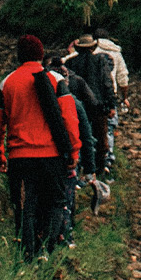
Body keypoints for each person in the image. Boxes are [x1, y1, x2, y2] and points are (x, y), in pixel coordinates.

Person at [0, 35, 80, 258]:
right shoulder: (56, 80)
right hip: (52, 155)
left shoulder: (6, 83)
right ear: (42, 55)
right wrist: (74, 150)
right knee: (55, 202)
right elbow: (69, 118)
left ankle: (28, 254)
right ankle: (46, 250)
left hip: (20, 157)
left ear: (19, 56)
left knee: (25, 206)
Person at [47, 54, 98, 244]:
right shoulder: (75, 104)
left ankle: (49, 237)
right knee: (67, 199)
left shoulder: (42, 102)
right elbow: (86, 137)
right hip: (69, 159)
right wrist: (90, 169)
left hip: (47, 156)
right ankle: (66, 235)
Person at [63, 29, 126, 180]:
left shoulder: (71, 62)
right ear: (93, 47)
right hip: (98, 106)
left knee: (80, 136)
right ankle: (98, 171)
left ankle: (79, 169)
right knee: (101, 139)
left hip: (77, 105)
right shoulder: (100, 61)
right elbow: (107, 83)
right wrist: (111, 105)